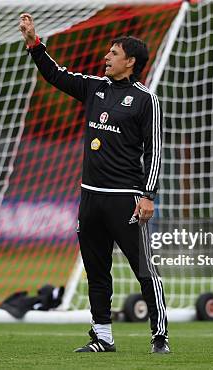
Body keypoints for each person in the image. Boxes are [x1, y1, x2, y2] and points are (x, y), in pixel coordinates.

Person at [19, 14, 169, 354]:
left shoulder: (146, 99)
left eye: (113, 53)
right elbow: (55, 75)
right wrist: (34, 42)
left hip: (126, 199)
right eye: (108, 52)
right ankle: (102, 336)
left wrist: (148, 196)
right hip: (91, 197)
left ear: (130, 62)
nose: (106, 57)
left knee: (145, 268)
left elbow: (155, 149)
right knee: (96, 271)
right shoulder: (93, 87)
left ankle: (159, 336)